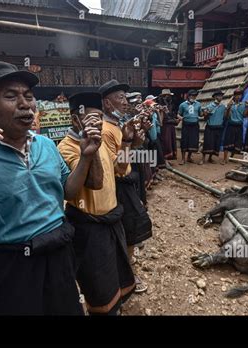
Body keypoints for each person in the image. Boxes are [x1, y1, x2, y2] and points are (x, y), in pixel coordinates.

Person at [0, 60, 102, 315]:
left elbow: (68, 192)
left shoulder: (46, 144)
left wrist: (87, 157)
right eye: (11, 96)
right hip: (9, 266)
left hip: (59, 253)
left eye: (29, 96)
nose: (25, 104)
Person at [59, 92, 135, 315]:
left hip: (111, 219)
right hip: (89, 227)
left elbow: (120, 169)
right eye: (92, 118)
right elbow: (95, 182)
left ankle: (116, 309)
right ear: (76, 120)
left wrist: (128, 141)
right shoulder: (66, 147)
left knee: (117, 273)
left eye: (100, 118)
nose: (98, 124)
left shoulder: (99, 140)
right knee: (98, 284)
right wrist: (89, 151)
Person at [99, 79, 152, 294]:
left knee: (130, 225)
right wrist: (128, 143)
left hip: (127, 181)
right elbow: (118, 169)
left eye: (125, 97)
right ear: (106, 103)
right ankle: (127, 273)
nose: (124, 102)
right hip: (119, 184)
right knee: (128, 227)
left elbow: (128, 155)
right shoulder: (105, 129)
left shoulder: (117, 124)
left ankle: (127, 266)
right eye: (119, 98)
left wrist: (136, 140)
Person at [201, 89, 226, 164]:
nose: (220, 97)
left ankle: (210, 158)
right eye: (219, 96)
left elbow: (224, 117)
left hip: (218, 127)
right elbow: (205, 118)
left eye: (221, 96)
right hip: (210, 127)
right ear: (215, 97)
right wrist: (206, 114)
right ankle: (203, 159)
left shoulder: (223, 107)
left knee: (215, 143)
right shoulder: (209, 106)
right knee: (207, 143)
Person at [222, 88, 247, 164]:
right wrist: (229, 108)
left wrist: (246, 107)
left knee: (237, 142)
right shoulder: (230, 104)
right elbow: (227, 116)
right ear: (234, 96)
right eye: (237, 95)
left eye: (240, 95)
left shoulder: (243, 105)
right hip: (231, 125)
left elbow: (245, 115)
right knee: (227, 141)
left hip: (239, 125)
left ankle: (232, 156)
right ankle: (225, 158)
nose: (238, 97)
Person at [178, 89, 202, 165]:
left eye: (195, 95)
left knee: (193, 141)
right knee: (184, 141)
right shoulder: (182, 105)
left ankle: (189, 157)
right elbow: (178, 114)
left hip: (195, 125)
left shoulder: (198, 104)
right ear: (188, 96)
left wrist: (204, 113)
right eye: (192, 95)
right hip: (186, 125)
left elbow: (200, 114)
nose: (193, 97)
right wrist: (180, 117)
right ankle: (183, 159)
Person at [159, 89, 179, 160]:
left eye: (168, 96)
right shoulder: (159, 105)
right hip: (164, 126)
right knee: (166, 142)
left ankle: (169, 158)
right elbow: (161, 118)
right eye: (165, 96)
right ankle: (164, 159)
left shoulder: (171, 105)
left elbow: (173, 115)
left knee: (171, 142)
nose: (167, 97)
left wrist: (175, 119)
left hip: (171, 126)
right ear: (162, 97)